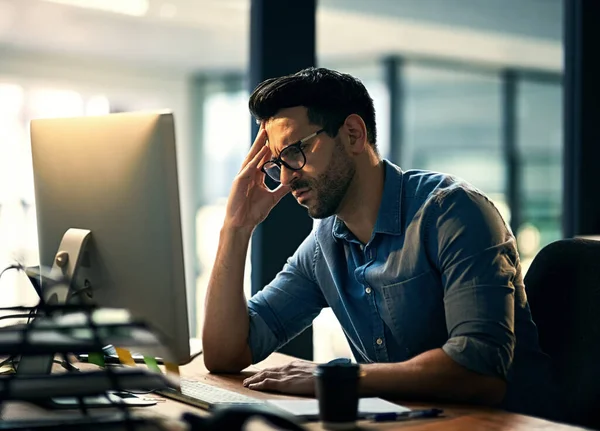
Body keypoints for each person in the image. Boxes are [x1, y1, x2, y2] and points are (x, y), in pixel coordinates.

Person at [202, 67, 559, 418]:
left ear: (354, 134)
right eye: (277, 163)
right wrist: (237, 226)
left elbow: (479, 370)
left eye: (295, 152)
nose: (285, 177)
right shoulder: (324, 246)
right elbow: (227, 353)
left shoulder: (452, 213)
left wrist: (336, 379)